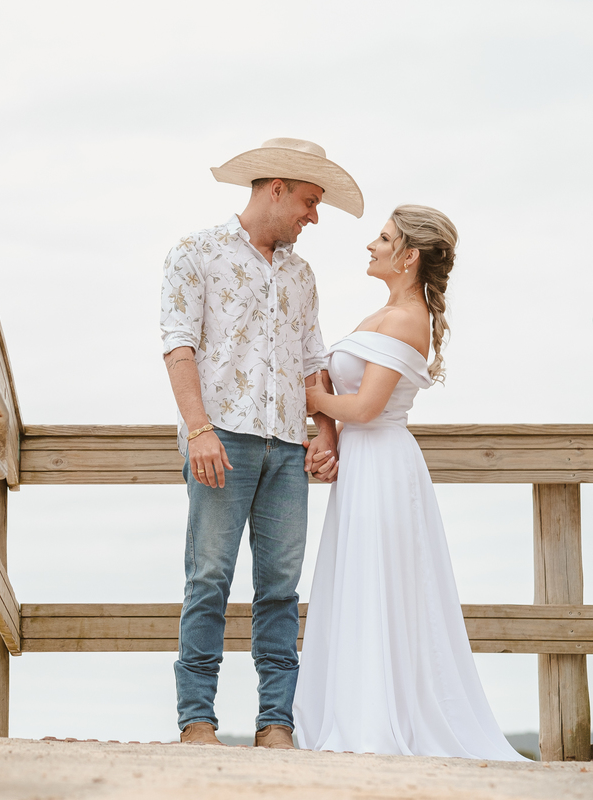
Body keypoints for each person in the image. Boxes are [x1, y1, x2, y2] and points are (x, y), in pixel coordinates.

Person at [292, 205, 527, 761]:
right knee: (360, 579)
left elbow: (368, 407)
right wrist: (326, 430)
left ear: (409, 255)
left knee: (379, 579)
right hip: (363, 463)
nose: (370, 245)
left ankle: (377, 718)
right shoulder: (386, 312)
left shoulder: (404, 318)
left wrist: (310, 397)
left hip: (383, 465)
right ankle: (357, 707)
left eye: (383, 238)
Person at [160, 138, 360, 749]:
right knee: (209, 578)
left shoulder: (301, 273)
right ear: (275, 188)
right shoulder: (195, 253)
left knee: (279, 586)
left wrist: (324, 434)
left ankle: (277, 722)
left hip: (286, 449)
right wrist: (199, 430)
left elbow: (311, 361)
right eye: (309, 200)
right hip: (222, 440)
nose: (313, 216)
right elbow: (178, 345)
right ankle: (197, 720)